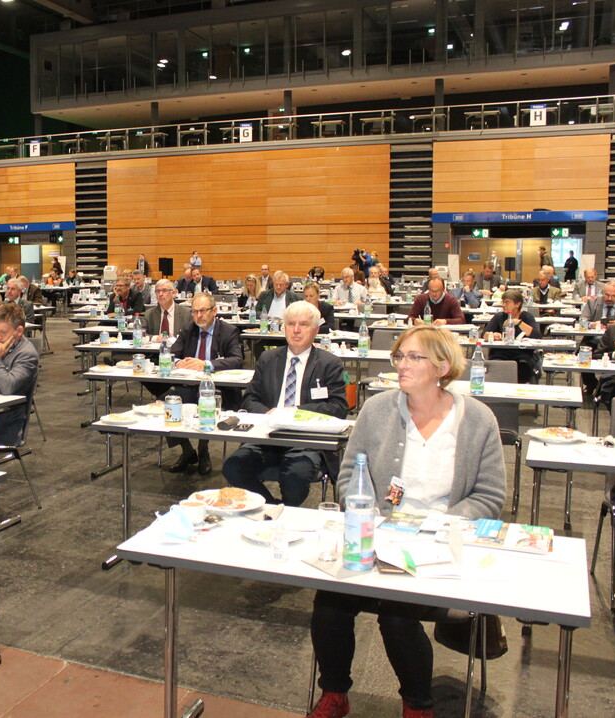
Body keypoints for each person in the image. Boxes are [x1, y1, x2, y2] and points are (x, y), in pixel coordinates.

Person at [307, 325, 505, 718]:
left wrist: (438, 526)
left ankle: (417, 705)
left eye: (414, 357)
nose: (402, 365)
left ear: (442, 366)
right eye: (400, 356)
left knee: (396, 614)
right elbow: (348, 476)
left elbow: (490, 497)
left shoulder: (477, 420)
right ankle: (335, 693)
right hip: (378, 537)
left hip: (438, 545)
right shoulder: (377, 410)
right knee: (328, 602)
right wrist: (367, 515)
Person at [222, 301, 347, 506]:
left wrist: (294, 413)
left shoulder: (329, 364)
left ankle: (283, 512)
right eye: (291, 324)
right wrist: (270, 414)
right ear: (284, 328)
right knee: (232, 467)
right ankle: (273, 509)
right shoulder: (268, 358)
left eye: (303, 325)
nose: (296, 330)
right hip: (266, 436)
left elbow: (338, 408)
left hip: (305, 440)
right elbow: (250, 398)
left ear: (315, 330)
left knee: (296, 478)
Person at [163, 292, 243, 475]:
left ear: (214, 311)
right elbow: (173, 353)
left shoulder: (229, 331)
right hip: (190, 386)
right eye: (194, 312)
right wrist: (177, 362)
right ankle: (187, 450)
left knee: (206, 403)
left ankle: (203, 448)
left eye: (203, 311)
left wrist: (206, 365)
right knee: (166, 404)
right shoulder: (188, 329)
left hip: (219, 388)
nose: (198, 316)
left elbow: (237, 360)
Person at [0, 303, 39, 445]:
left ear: (19, 331)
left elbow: (8, 387)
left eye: (3, 332)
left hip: (4, 420)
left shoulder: (27, 354)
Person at [483, 289, 542, 383]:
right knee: (496, 364)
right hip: (500, 353)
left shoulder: (527, 317)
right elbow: (484, 334)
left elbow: (536, 335)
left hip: (522, 353)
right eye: (503, 302)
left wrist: (519, 323)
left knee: (524, 366)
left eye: (507, 302)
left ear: (517, 304)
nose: (504, 305)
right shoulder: (499, 316)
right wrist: (493, 335)